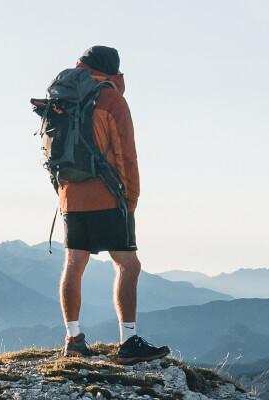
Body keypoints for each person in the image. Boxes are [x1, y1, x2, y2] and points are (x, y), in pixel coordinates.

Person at [58, 45, 170, 364]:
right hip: (107, 195)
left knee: (74, 264)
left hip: (69, 195)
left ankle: (73, 339)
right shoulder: (110, 98)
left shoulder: (65, 96)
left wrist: (64, 192)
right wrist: (130, 199)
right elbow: (126, 155)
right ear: (113, 71)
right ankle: (128, 341)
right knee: (128, 265)